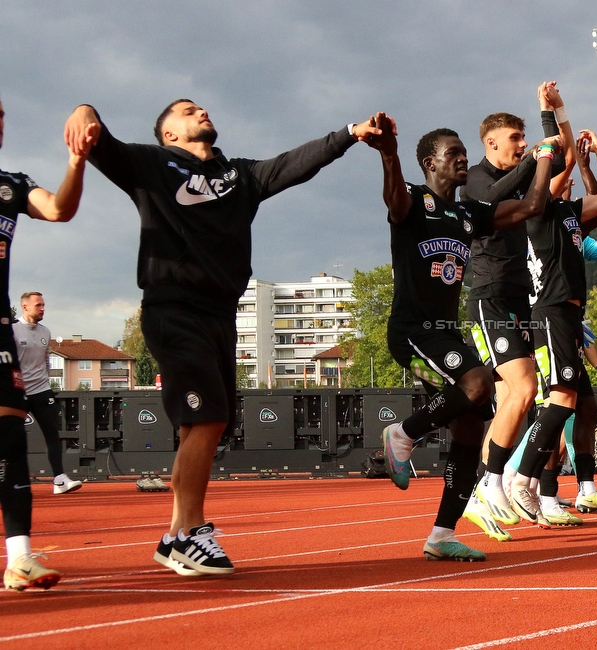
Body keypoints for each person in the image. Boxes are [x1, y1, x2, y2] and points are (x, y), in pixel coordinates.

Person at [64, 100, 384, 576]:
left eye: (203, 107)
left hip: (220, 314)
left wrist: (349, 134)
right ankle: (191, 532)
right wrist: (84, 112)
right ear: (169, 134)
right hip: (174, 308)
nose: (203, 112)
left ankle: (175, 535)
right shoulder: (152, 164)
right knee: (207, 418)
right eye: (189, 111)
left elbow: (294, 164)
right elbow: (100, 142)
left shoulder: (240, 176)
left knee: (206, 424)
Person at [371, 112, 555, 560]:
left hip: (445, 335)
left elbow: (530, 206)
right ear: (429, 164)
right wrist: (389, 154)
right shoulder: (412, 201)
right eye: (452, 153)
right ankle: (402, 433)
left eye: (462, 152)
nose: (462, 158)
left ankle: (441, 535)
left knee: (471, 427)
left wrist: (545, 155)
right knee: (480, 383)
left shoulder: (468, 213)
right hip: (412, 333)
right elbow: (393, 196)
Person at [461, 82, 569, 531]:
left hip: (518, 299)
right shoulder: (474, 178)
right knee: (523, 388)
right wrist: (535, 158)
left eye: (524, 139)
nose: (522, 146)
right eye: (515, 139)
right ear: (491, 143)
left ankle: (481, 489)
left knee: (512, 399)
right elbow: (495, 197)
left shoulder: (522, 167)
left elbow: (557, 159)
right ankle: (490, 480)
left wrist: (550, 114)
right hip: (488, 297)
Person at [2, 95, 92, 590]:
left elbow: (59, 209)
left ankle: (20, 558)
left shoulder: (12, 185)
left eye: (0, 115)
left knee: (10, 444)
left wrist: (76, 160)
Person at [513, 128, 597, 525]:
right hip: (550, 312)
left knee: (579, 405)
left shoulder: (568, 214)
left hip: (570, 316)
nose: (567, 178)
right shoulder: (537, 212)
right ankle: (523, 480)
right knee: (559, 403)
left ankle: (571, 489)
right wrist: (559, 117)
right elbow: (568, 161)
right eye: (559, 175)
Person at [13, 292, 82, 494]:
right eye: (38, 305)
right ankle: (12, 481)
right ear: (25, 307)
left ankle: (59, 480)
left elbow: (45, 361)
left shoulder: (45, 332)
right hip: (17, 393)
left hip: (42, 390)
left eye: (43, 305)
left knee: (52, 434)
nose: (43, 308)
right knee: (12, 437)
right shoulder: (11, 331)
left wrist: (47, 381)